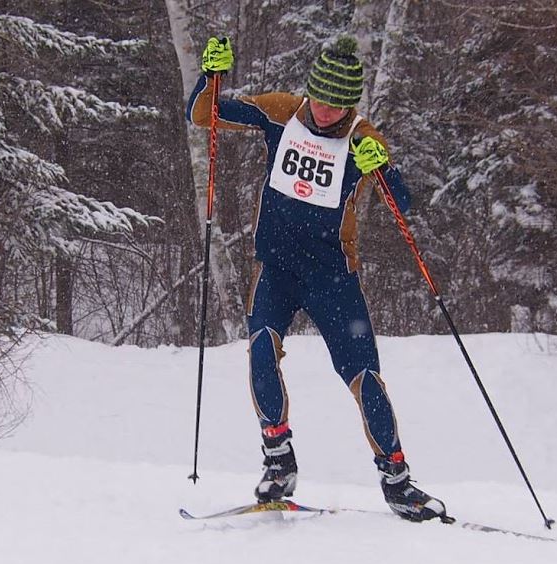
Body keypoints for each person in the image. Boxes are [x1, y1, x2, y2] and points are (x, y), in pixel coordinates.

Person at [186, 35, 449, 523]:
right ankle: (279, 462)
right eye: (322, 100)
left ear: (353, 104)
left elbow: (404, 204)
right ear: (311, 93)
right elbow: (203, 115)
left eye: (339, 105)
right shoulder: (283, 111)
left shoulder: (362, 137)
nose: (327, 112)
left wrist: (383, 168)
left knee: (363, 376)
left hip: (333, 279)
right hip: (278, 270)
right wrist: (210, 75)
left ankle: (398, 481)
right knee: (261, 350)